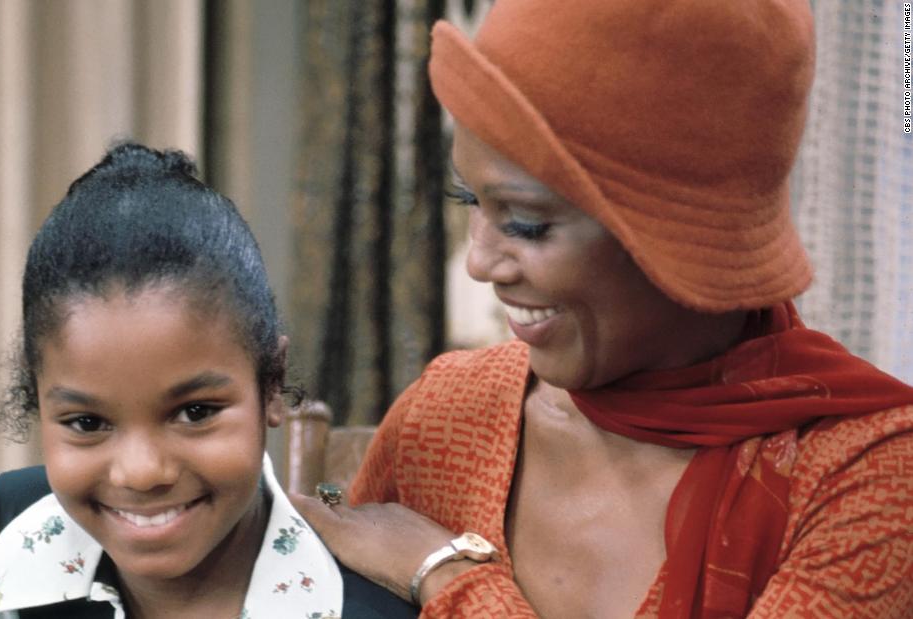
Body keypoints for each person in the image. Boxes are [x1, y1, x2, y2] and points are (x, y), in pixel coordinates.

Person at [293, 1, 913, 617]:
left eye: (527, 224)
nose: (480, 263)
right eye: (468, 200)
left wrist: (447, 576)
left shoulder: (868, 475)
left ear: (689, 234)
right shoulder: (445, 420)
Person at [0, 143, 416, 619]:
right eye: (87, 422)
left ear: (271, 383)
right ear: (37, 400)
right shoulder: (2, 526)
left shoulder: (365, 608)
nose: (142, 473)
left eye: (195, 413)